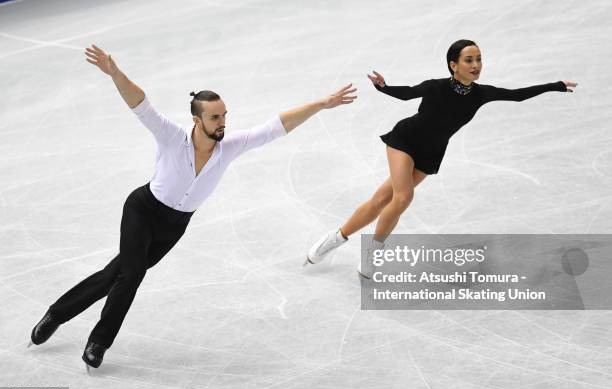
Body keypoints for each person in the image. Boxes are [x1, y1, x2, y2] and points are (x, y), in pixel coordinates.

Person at [29, 44, 357, 371]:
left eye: (224, 115)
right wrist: (115, 73)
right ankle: (99, 342)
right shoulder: (172, 137)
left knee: (112, 276)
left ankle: (56, 314)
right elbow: (141, 104)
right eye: (215, 117)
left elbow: (275, 127)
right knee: (132, 275)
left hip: (174, 227)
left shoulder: (230, 146)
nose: (222, 122)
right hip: (142, 211)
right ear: (197, 120)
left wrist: (322, 104)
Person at [304, 39, 577, 278]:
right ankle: (372, 255)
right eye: (468, 59)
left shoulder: (482, 93)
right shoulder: (435, 86)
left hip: (431, 152)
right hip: (405, 141)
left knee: (380, 200)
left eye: (479, 59)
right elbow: (407, 92)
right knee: (403, 198)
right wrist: (383, 87)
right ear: (453, 65)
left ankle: (334, 238)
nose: (476, 65)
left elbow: (516, 96)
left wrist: (556, 85)